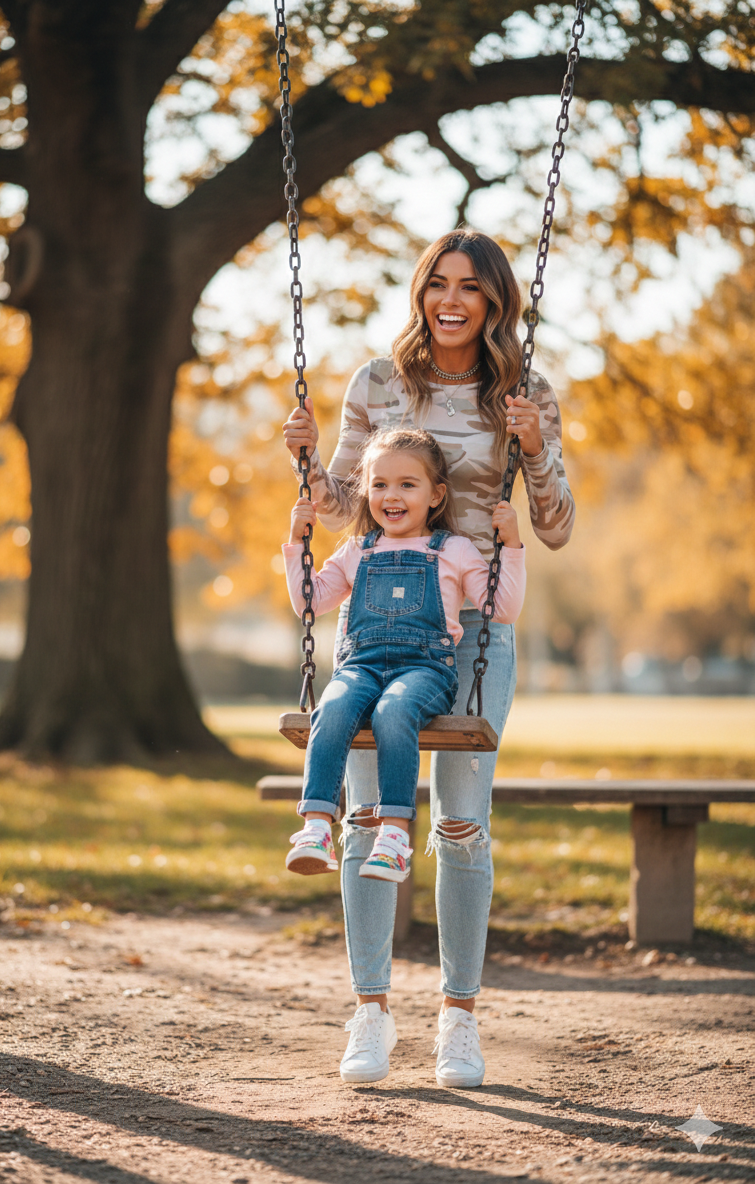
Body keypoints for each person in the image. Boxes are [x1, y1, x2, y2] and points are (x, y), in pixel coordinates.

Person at [282, 228, 575, 1088]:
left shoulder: (524, 392)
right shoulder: (378, 382)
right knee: (369, 816)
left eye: (470, 288)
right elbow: (342, 508)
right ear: (422, 291)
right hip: (376, 621)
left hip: (473, 626)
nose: (451, 300)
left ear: (494, 302)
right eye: (437, 284)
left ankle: (459, 1017)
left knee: (460, 823)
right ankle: (369, 1009)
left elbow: (554, 527)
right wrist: (302, 459)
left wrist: (535, 448)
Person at [282, 427, 524, 892]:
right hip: (362, 667)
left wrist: (511, 546)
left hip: (425, 671)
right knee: (331, 707)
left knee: (395, 711)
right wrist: (296, 542)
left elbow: (502, 609)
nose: (391, 496)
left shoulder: (452, 549)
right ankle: (315, 828)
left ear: (436, 495)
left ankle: (393, 836)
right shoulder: (358, 549)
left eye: (406, 485)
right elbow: (310, 603)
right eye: (379, 484)